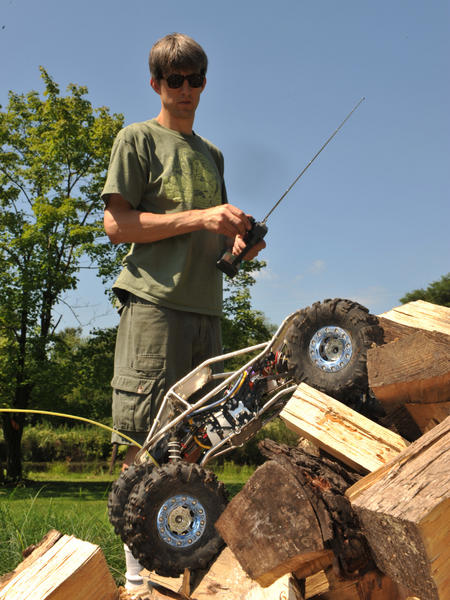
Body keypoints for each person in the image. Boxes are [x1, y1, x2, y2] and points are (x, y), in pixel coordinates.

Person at [102, 33, 265, 590]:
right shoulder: (137, 139)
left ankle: (184, 562)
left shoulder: (211, 154)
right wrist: (200, 217)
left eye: (197, 78)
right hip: (153, 304)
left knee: (199, 440)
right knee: (147, 436)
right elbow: (117, 226)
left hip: (205, 310)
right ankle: (137, 577)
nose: (188, 89)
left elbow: (215, 249)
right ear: (156, 84)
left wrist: (239, 252)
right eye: (176, 80)